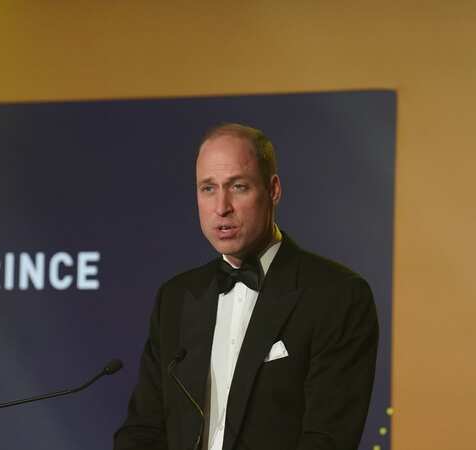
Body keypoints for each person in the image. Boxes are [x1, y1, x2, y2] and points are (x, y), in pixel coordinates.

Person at [114, 123, 379, 450]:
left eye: (238, 187)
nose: (221, 207)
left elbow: (328, 438)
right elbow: (142, 430)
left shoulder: (337, 296)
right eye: (207, 189)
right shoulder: (177, 298)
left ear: (273, 190)